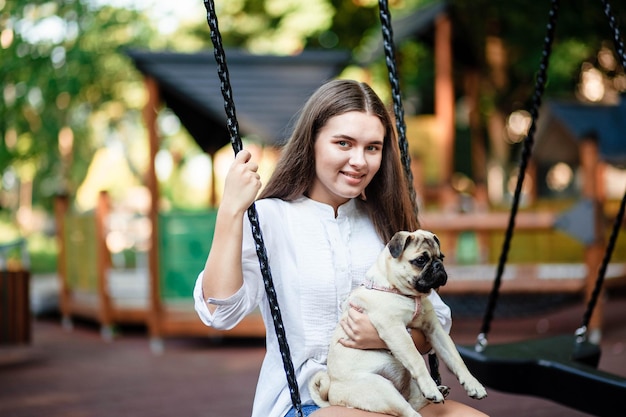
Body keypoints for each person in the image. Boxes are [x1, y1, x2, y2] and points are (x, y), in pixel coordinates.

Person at [194, 79, 488, 417]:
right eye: (343, 143)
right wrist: (231, 211)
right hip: (306, 399)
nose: (359, 161)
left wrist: (380, 337)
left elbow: (435, 321)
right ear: (313, 142)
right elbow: (220, 314)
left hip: (394, 396)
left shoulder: (385, 225)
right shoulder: (271, 218)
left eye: (372, 148)